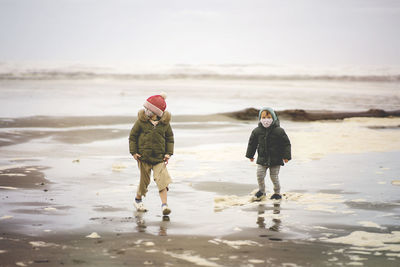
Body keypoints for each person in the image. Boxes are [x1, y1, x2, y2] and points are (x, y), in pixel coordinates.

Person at [129, 93, 174, 215]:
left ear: (157, 112)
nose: (146, 111)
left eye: (149, 109)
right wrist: (134, 152)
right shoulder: (141, 122)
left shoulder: (165, 124)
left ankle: (164, 205)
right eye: (146, 108)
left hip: (159, 158)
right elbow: (133, 137)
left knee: (162, 181)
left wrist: (168, 153)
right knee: (144, 182)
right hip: (144, 158)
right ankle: (138, 200)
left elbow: (170, 138)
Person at [245, 107, 291, 200]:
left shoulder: (279, 131)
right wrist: (250, 155)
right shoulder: (256, 131)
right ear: (260, 118)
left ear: (273, 118)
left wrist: (286, 156)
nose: (266, 120)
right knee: (260, 175)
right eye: (264, 117)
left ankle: (277, 193)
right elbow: (252, 144)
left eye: (269, 117)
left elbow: (286, 144)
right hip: (262, 159)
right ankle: (261, 191)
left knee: (274, 177)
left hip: (276, 159)